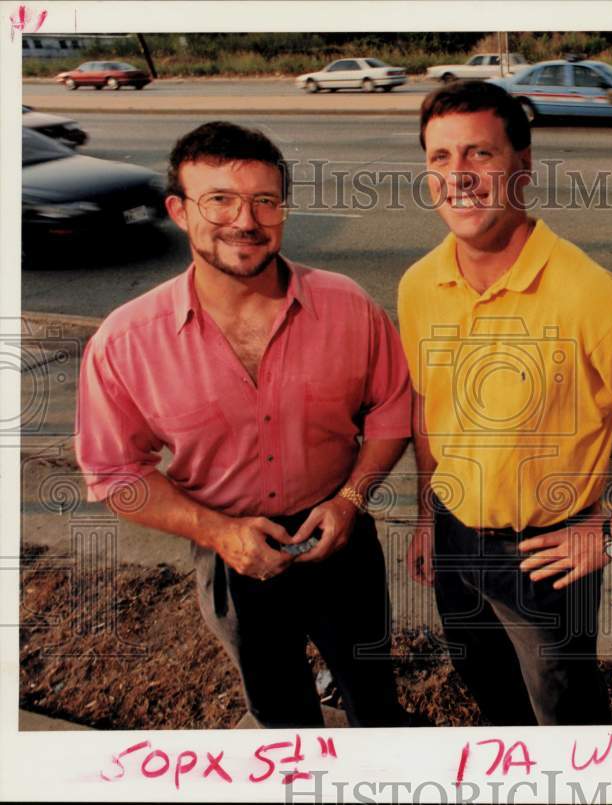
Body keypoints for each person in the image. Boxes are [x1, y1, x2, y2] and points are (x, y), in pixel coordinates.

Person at [397, 82, 612, 726]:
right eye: (440, 158)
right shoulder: (418, 284)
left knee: (562, 710)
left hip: (544, 556)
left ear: (522, 165)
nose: (458, 176)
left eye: (478, 155)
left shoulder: (589, 295)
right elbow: (431, 407)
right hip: (455, 536)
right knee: (484, 679)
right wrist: (429, 513)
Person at [75, 121, 411, 728]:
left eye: (264, 200)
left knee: (374, 693)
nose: (246, 220)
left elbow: (392, 407)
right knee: (279, 708)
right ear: (178, 210)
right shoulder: (125, 342)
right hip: (229, 552)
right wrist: (216, 532)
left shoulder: (350, 306)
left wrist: (352, 500)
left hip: (341, 538)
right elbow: (113, 472)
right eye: (220, 200)